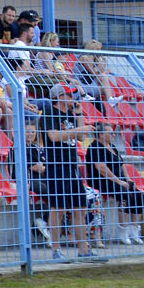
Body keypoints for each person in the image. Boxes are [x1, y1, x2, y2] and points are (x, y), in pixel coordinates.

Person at [39, 83, 102, 260]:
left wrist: (80, 114)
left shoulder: (70, 114)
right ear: (59, 97)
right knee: (58, 208)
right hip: (57, 166)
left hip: (72, 165)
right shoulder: (50, 113)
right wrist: (79, 129)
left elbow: (81, 137)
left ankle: (83, 249)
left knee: (80, 208)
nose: (72, 98)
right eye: (69, 95)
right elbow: (54, 136)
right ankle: (56, 249)